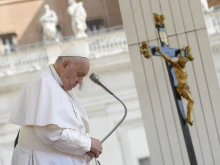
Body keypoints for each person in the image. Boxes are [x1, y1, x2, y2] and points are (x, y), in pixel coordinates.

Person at [9, 44, 102, 164]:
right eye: (79, 74)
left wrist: (83, 151)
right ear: (65, 65)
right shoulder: (43, 81)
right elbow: (52, 134)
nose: (80, 81)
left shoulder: (60, 84)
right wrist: (87, 143)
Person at [155, 47, 194, 126]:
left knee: (191, 101)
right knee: (191, 100)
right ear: (180, 62)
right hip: (180, 87)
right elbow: (168, 59)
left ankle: (189, 117)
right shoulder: (177, 65)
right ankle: (189, 118)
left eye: (185, 63)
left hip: (185, 87)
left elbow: (181, 57)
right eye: (183, 62)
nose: (184, 64)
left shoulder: (183, 67)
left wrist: (180, 51)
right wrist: (160, 52)